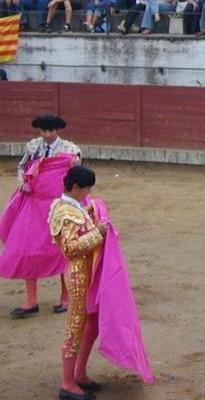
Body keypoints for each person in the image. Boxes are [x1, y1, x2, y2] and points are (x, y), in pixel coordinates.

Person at [1, 114, 80, 320]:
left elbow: (76, 176)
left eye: (50, 131)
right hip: (34, 203)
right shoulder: (33, 147)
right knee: (29, 249)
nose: (46, 135)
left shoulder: (70, 150)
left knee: (63, 248)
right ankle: (31, 301)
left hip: (59, 205)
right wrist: (23, 183)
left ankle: (65, 297)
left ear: (57, 131)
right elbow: (22, 168)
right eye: (43, 131)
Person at [48, 165, 108, 400]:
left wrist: (92, 212)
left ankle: (80, 374)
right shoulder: (65, 213)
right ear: (74, 187)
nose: (88, 192)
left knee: (92, 322)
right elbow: (70, 248)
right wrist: (98, 233)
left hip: (87, 273)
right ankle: (67, 384)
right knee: (75, 328)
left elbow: (81, 221)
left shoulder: (69, 205)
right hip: (77, 275)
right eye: (86, 188)